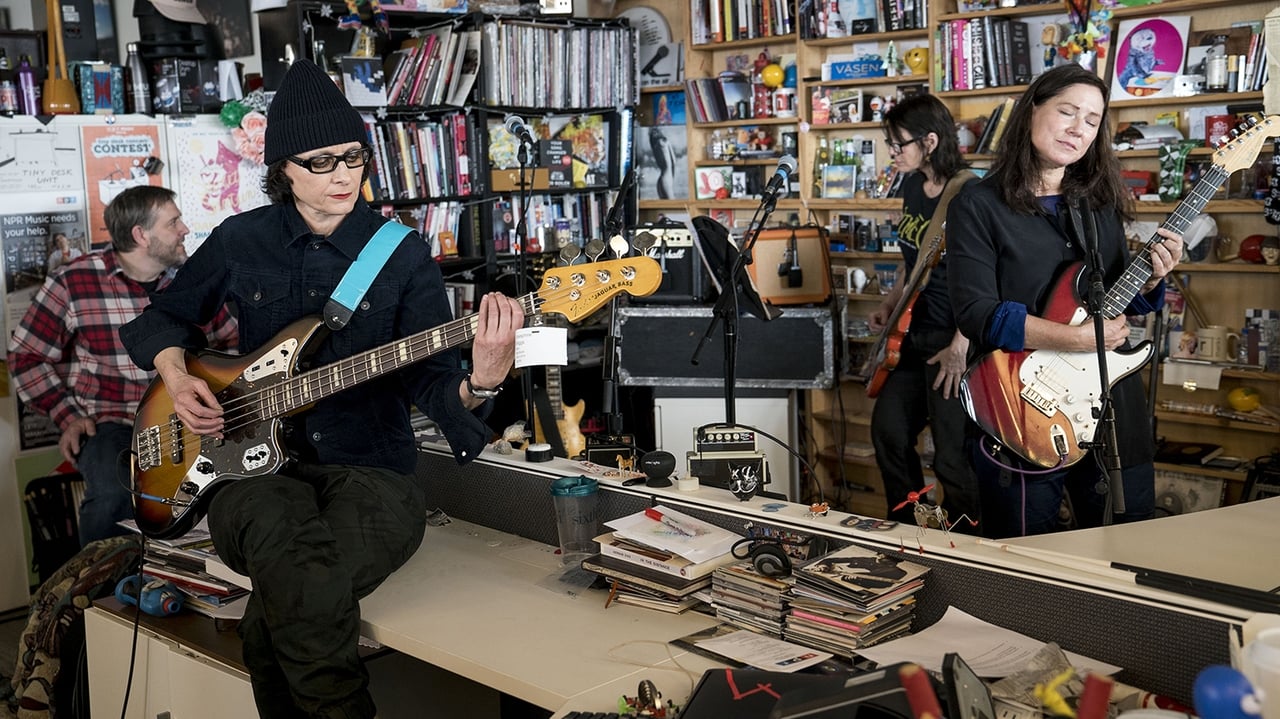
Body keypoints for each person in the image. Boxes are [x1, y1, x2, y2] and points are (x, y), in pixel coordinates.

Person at [119, 59, 523, 719]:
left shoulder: (400, 253)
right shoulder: (240, 239)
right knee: (290, 551)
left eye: (354, 158)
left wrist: (482, 378)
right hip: (242, 473)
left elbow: (431, 381)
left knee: (288, 600)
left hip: (372, 473)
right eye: (322, 161)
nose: (343, 175)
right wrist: (175, 372)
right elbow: (164, 317)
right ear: (282, 169)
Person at [947, 64, 1184, 537]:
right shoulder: (978, 205)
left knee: (1129, 547)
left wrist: (1155, 279)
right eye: (1067, 112)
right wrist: (1074, 339)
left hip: (1111, 410)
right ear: (1033, 109)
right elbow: (976, 314)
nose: (1079, 129)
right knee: (1024, 560)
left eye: (1092, 121)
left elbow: (1116, 299)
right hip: (1022, 408)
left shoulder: (1096, 201)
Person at [8, 186, 237, 545]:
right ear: (140, 235)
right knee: (116, 496)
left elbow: (232, 343)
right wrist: (65, 414)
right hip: (112, 424)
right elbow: (26, 356)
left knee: (233, 494)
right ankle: (96, 595)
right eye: (173, 222)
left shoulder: (188, 280)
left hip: (188, 421)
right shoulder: (73, 281)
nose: (185, 230)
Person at [868, 94, 981, 530]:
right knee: (889, 433)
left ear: (930, 141)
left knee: (953, 458)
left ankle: (969, 549)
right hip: (912, 339)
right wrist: (889, 302)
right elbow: (912, 260)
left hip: (953, 345)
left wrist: (961, 344)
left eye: (899, 144)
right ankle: (911, 530)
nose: (892, 153)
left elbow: (988, 278)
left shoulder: (971, 194)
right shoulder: (913, 186)